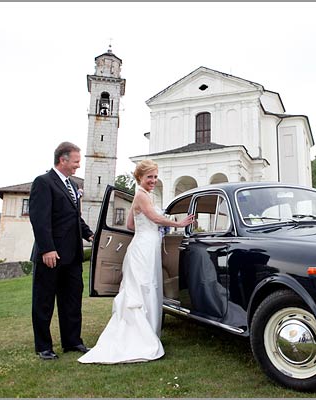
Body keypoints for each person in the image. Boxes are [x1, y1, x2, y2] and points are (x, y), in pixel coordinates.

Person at [78, 159, 194, 364]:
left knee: (145, 287)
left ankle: (146, 331)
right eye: (149, 176)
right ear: (140, 177)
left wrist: (148, 229)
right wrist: (177, 223)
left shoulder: (141, 195)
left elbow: (131, 224)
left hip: (143, 245)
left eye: (155, 176)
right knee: (143, 288)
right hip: (144, 249)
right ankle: (141, 338)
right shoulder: (141, 195)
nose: (153, 180)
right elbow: (154, 217)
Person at [29, 141, 94, 360]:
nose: (78, 165)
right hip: (51, 255)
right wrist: (47, 248)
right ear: (62, 160)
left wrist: (90, 235)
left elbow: (74, 218)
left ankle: (73, 341)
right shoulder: (43, 182)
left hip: (73, 255)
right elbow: (40, 219)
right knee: (44, 302)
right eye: (76, 161)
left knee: (72, 301)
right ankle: (44, 347)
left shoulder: (73, 186)